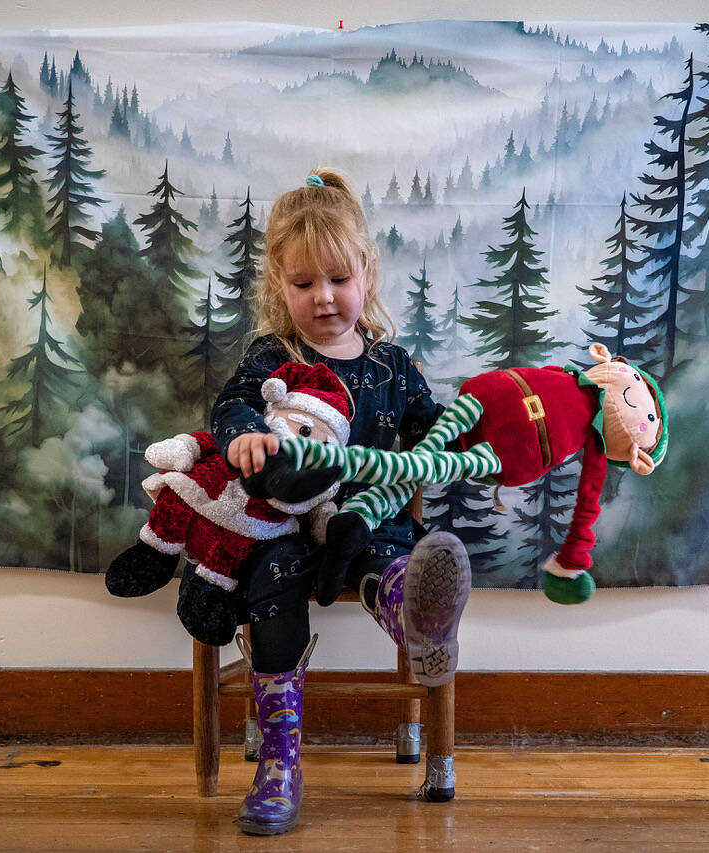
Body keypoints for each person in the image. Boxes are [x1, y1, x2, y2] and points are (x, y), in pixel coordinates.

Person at [212, 170, 471, 835]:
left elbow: (431, 430)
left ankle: (418, 620)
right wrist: (242, 437)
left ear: (368, 274)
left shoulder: (391, 366)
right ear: (278, 284)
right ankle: (279, 760)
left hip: (370, 525)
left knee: (390, 559)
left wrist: (472, 444)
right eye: (303, 285)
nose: (323, 298)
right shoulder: (273, 357)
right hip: (285, 529)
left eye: (337, 280)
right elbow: (233, 406)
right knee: (271, 583)